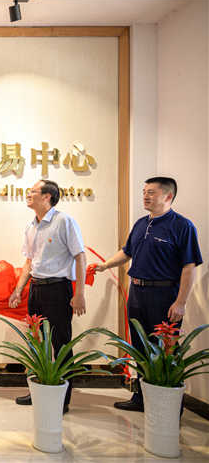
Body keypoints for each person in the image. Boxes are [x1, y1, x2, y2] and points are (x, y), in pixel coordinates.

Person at [95, 176, 202, 412]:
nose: (145, 196)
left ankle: (168, 407)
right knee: (140, 346)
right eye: (144, 192)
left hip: (164, 295)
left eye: (151, 192)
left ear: (168, 196)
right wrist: (105, 265)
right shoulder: (141, 223)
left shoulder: (183, 226)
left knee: (165, 350)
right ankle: (141, 399)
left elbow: (189, 267)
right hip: (137, 293)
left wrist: (181, 302)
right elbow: (127, 252)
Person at [8, 180, 87, 414]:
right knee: (36, 342)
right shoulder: (31, 226)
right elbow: (29, 262)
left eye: (33, 191)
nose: (28, 194)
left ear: (47, 197)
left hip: (58, 289)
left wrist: (79, 293)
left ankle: (63, 399)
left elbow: (80, 257)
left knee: (60, 344)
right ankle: (38, 391)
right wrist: (18, 290)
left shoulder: (64, 222)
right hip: (36, 289)